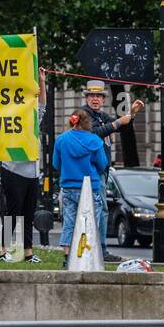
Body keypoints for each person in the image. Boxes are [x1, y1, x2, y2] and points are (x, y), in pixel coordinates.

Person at [83, 80, 145, 262]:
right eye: (92, 96)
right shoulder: (83, 115)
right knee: (97, 210)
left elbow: (123, 125)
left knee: (100, 210)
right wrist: (117, 123)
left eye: (99, 96)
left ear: (103, 99)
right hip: (92, 169)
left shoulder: (101, 115)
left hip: (102, 169)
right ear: (87, 98)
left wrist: (131, 113)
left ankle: (99, 249)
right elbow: (94, 133)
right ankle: (98, 250)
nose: (95, 99)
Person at [53, 108, 109, 269]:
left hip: (69, 187)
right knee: (91, 222)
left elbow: (56, 164)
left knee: (69, 223)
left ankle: (67, 256)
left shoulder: (61, 140)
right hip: (90, 186)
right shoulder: (95, 141)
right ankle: (87, 254)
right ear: (87, 123)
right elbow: (102, 164)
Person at [0, 80, 46, 263]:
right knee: (13, 211)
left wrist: (41, 81)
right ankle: (4, 250)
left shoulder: (33, 118)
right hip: (13, 170)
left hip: (32, 173)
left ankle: (28, 252)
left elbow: (43, 105)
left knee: (28, 213)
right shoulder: (8, 118)